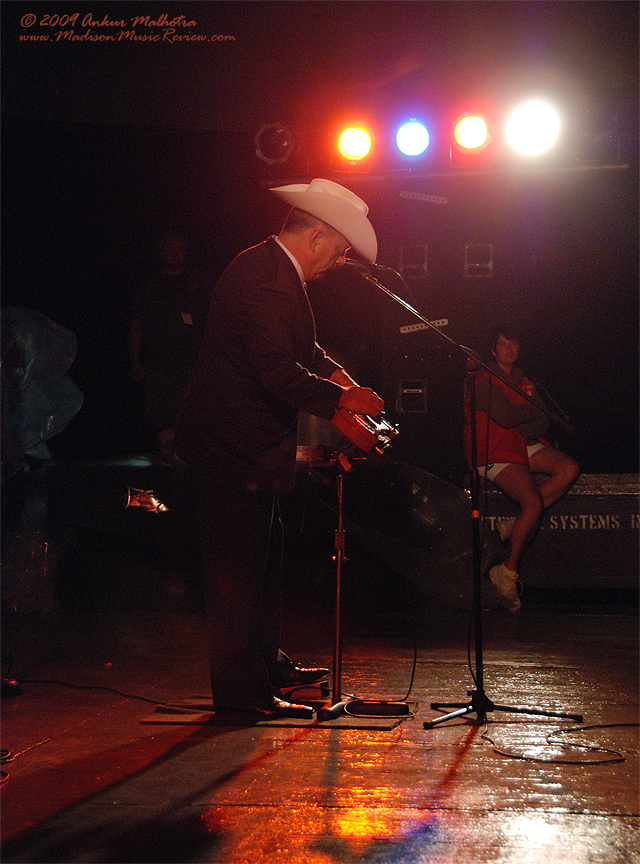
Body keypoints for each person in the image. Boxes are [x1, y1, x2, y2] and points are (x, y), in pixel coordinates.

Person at [174, 179, 384, 719]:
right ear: (315, 236)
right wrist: (341, 399)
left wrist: (337, 376)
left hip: (248, 450)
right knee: (236, 576)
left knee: (260, 566)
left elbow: (299, 348)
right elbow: (275, 369)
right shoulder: (266, 278)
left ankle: (265, 666)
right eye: (338, 252)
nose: (338, 263)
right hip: (230, 450)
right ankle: (241, 698)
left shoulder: (272, 270)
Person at [464, 326, 579, 612]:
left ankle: (513, 526)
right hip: (493, 450)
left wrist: (525, 416)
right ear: (493, 349)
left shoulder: (524, 379)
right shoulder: (482, 377)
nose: (510, 349)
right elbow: (503, 416)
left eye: (514, 343)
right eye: (504, 344)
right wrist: (530, 411)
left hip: (520, 443)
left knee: (569, 468)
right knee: (532, 503)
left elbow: (543, 423)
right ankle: (507, 572)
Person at [129, 230, 212, 455]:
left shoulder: (199, 283)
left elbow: (212, 322)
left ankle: (191, 466)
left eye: (177, 249)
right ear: (161, 253)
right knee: (163, 419)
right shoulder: (151, 285)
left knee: (193, 416)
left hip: (192, 364)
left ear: (185, 252)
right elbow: (137, 324)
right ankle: (167, 467)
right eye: (168, 249)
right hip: (160, 366)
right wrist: (135, 360)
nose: (173, 254)